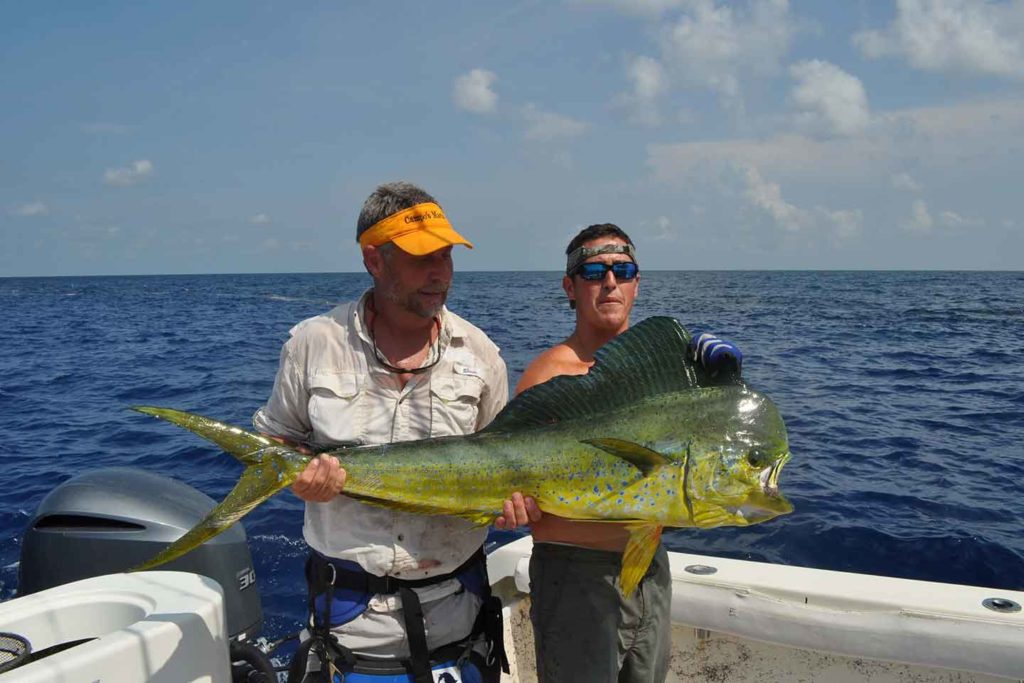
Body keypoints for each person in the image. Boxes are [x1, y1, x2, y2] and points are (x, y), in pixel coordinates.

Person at [253, 181, 539, 683]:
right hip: (348, 623)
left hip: (457, 615)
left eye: (446, 256)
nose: (440, 273)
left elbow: (500, 463)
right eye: (421, 258)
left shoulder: (482, 355)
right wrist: (296, 476)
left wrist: (513, 504)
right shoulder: (312, 344)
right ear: (374, 260)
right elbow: (275, 442)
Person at [515, 223, 742, 683]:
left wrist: (724, 392)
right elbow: (520, 488)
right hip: (576, 578)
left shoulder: (669, 376)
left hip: (650, 567)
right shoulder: (547, 377)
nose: (610, 282)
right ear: (570, 287)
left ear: (638, 282)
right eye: (594, 271)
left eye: (623, 270)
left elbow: (712, 461)